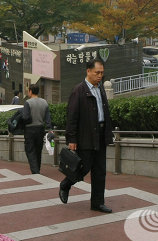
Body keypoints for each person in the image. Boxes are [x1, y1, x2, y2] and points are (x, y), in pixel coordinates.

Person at [59, 58, 114, 213]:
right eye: (97, 72)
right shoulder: (79, 90)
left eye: (102, 73)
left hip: (101, 134)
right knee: (82, 168)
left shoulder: (100, 88)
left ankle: (97, 203)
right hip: (86, 136)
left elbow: (104, 113)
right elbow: (71, 116)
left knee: (100, 171)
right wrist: (71, 139)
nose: (100, 76)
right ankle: (66, 184)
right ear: (88, 71)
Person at [22, 84, 52, 174]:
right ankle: (37, 169)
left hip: (30, 129)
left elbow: (25, 117)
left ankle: (35, 172)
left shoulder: (28, 102)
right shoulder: (44, 102)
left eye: (28, 91)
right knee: (38, 150)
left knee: (30, 150)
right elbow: (48, 118)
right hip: (40, 129)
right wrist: (49, 128)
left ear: (30, 91)